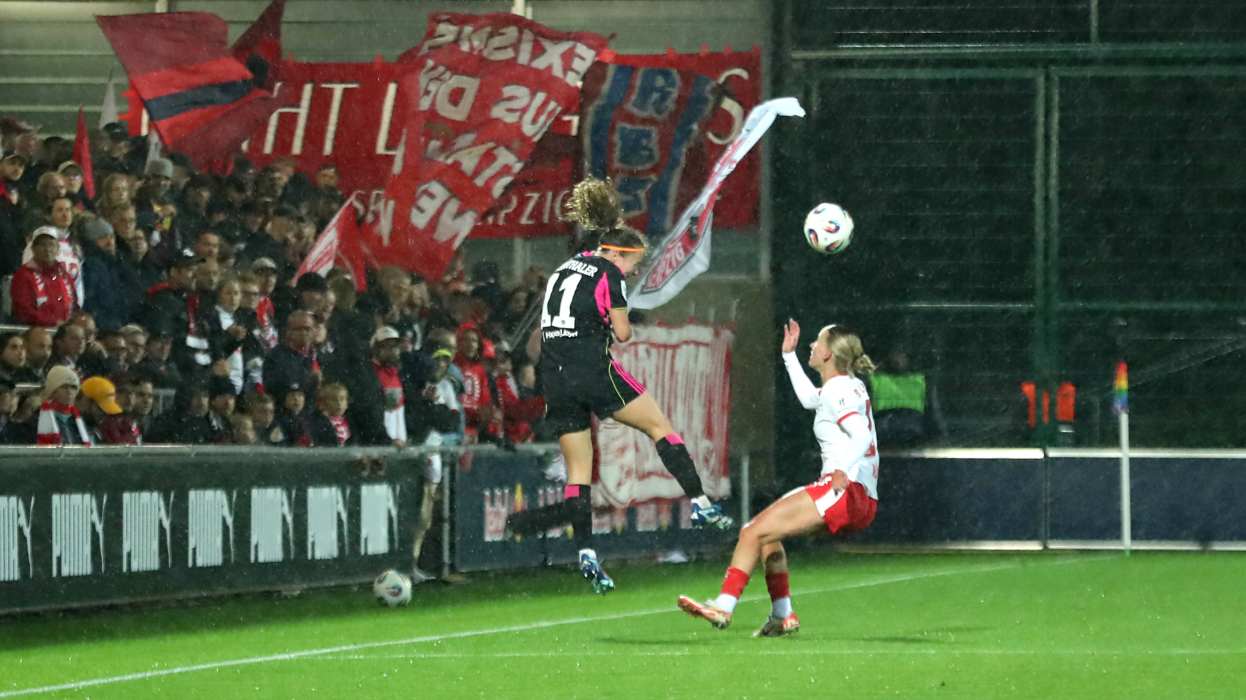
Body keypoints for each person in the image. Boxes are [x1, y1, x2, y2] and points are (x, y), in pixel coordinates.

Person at [504, 178, 734, 595]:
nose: (633, 271)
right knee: (659, 426)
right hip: (591, 368)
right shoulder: (610, 271)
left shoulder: (561, 270)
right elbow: (625, 334)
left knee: (578, 471)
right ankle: (700, 503)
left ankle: (586, 552)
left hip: (555, 377)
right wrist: (618, 314)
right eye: (634, 263)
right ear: (616, 252)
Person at [677, 321, 879, 636]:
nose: (811, 345)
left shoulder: (838, 389)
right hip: (862, 496)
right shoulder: (846, 385)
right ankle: (782, 614)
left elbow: (861, 434)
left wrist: (842, 471)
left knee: (751, 532)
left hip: (843, 489)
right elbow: (810, 400)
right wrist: (789, 356)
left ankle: (723, 607)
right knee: (768, 537)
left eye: (817, 342)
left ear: (827, 354)